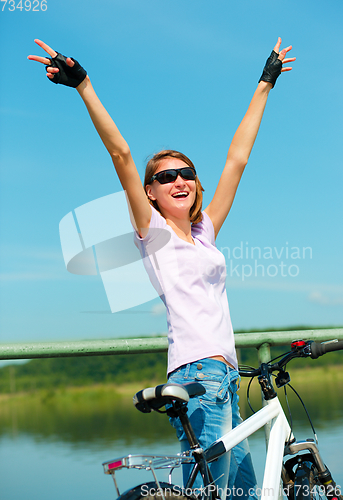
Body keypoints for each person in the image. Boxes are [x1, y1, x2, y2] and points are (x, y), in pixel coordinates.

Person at [29, 38, 295, 499]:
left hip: (228, 376)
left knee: (246, 494)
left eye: (187, 173)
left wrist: (266, 80)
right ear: (150, 191)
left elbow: (238, 159)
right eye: (166, 176)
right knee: (211, 492)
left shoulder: (205, 231)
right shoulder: (152, 232)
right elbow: (122, 156)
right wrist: (84, 85)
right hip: (197, 375)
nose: (179, 180)